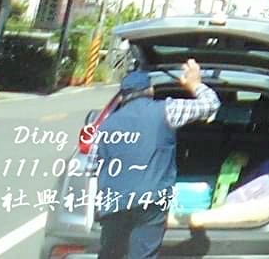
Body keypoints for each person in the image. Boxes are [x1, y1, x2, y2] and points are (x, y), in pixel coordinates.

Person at [90, 57, 219, 259]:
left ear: (123, 98)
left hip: (113, 204)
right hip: (150, 201)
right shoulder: (165, 110)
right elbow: (210, 105)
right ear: (150, 91)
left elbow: (91, 167)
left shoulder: (104, 126)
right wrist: (195, 84)